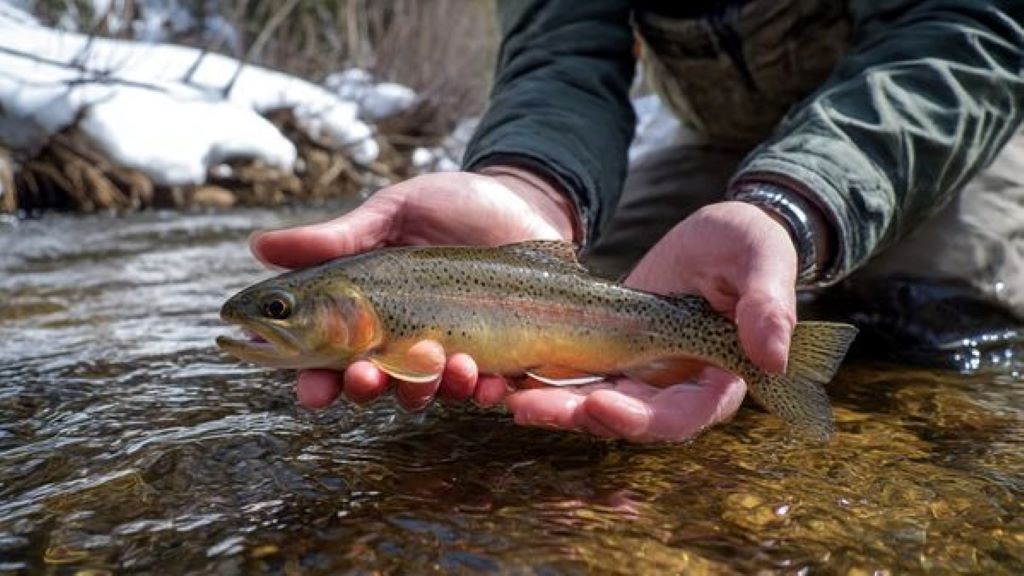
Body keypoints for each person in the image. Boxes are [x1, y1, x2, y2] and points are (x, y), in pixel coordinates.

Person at [250, 1, 1024, 442]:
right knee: (625, 273)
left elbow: (969, 30)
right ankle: (726, 338)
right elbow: (561, 59)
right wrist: (530, 185)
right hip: (716, 137)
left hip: (928, 123)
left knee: (924, 318)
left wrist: (794, 210)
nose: (272, 318)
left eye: (282, 310)